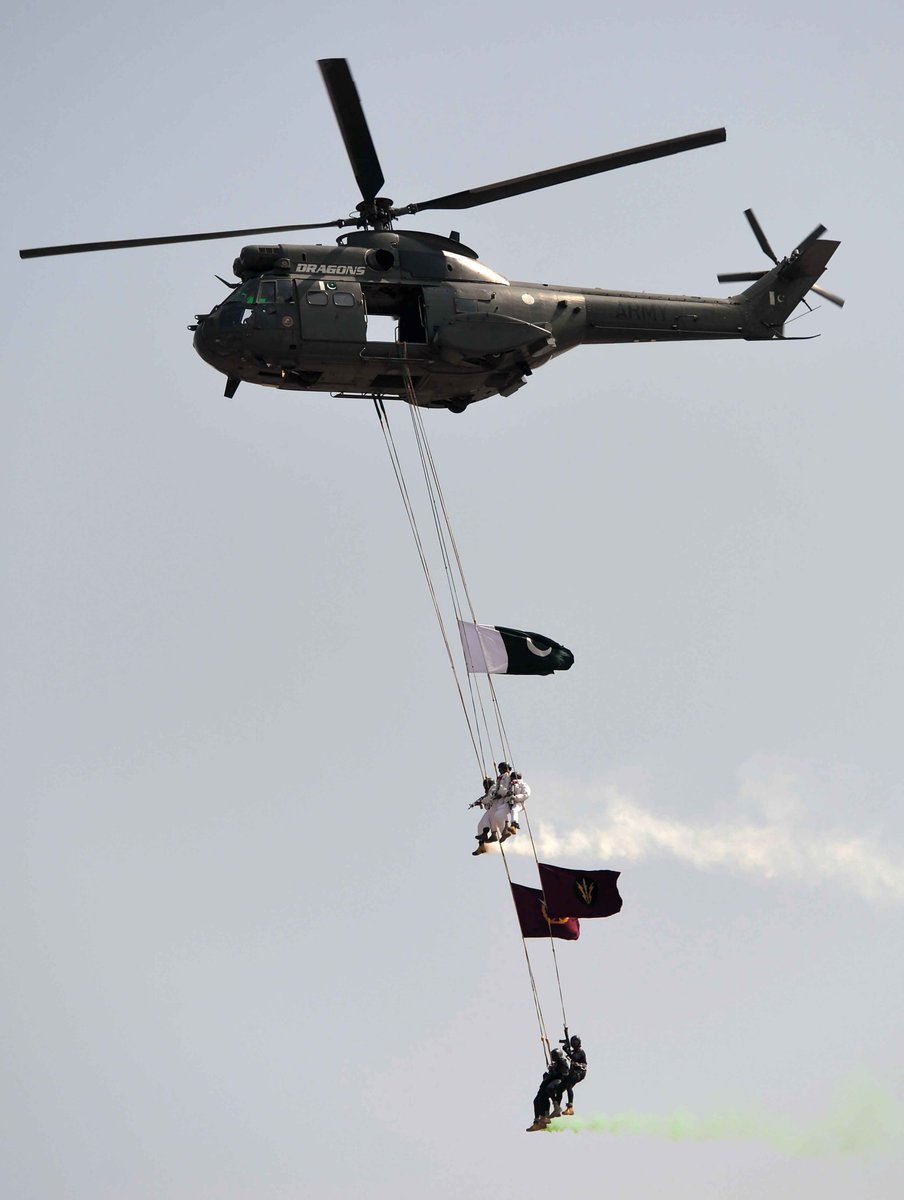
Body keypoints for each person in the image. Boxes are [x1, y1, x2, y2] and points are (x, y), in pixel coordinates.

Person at [526, 1049, 568, 1132]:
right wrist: (549, 1073)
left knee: (548, 1091)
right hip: (548, 1083)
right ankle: (538, 1121)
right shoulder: (555, 1065)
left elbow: (562, 1074)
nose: (553, 1058)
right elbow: (551, 1075)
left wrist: (552, 1072)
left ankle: (554, 1108)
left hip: (558, 1082)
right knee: (537, 1100)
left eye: (554, 1056)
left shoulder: (562, 1062)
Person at [557, 1035, 587, 1116]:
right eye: (573, 1042)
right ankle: (557, 1108)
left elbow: (574, 1058)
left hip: (580, 1072)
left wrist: (566, 1050)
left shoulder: (581, 1052)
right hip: (573, 1072)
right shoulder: (574, 1052)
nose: (574, 1044)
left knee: (569, 1086)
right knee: (560, 1087)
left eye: (575, 1042)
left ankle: (570, 1108)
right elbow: (572, 1057)